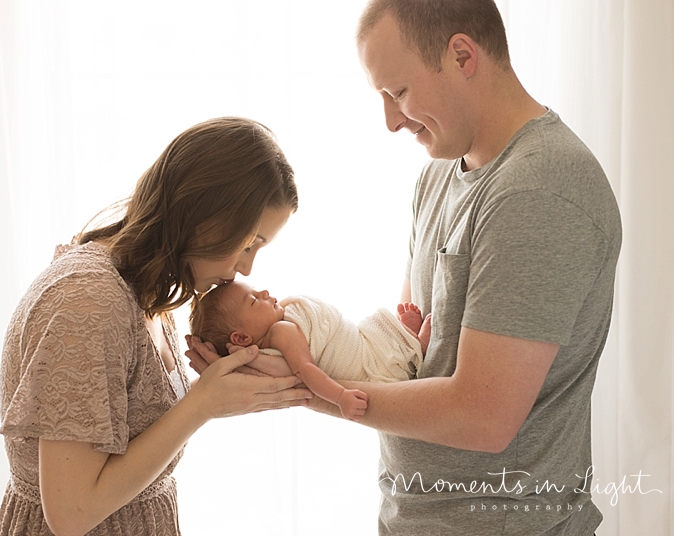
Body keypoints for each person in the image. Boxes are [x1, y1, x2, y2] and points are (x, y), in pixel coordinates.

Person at [188, 1, 621, 535]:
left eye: (399, 93)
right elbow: (413, 354)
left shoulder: (540, 189)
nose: (391, 121)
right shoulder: (437, 176)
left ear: (462, 55)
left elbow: (482, 416)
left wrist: (300, 388)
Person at [0, 117, 313, 536]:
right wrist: (201, 406)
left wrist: (212, 392)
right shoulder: (88, 301)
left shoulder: (142, 290)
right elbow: (71, 514)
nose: (245, 268)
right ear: (203, 215)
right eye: (248, 243)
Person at [188, 281, 432, 418]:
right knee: (376, 351)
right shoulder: (283, 331)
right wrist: (339, 397)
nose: (263, 292)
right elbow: (305, 370)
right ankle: (415, 346)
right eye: (253, 300)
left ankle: (404, 338)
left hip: (355, 338)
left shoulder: (262, 355)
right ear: (241, 337)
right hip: (363, 358)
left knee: (371, 332)